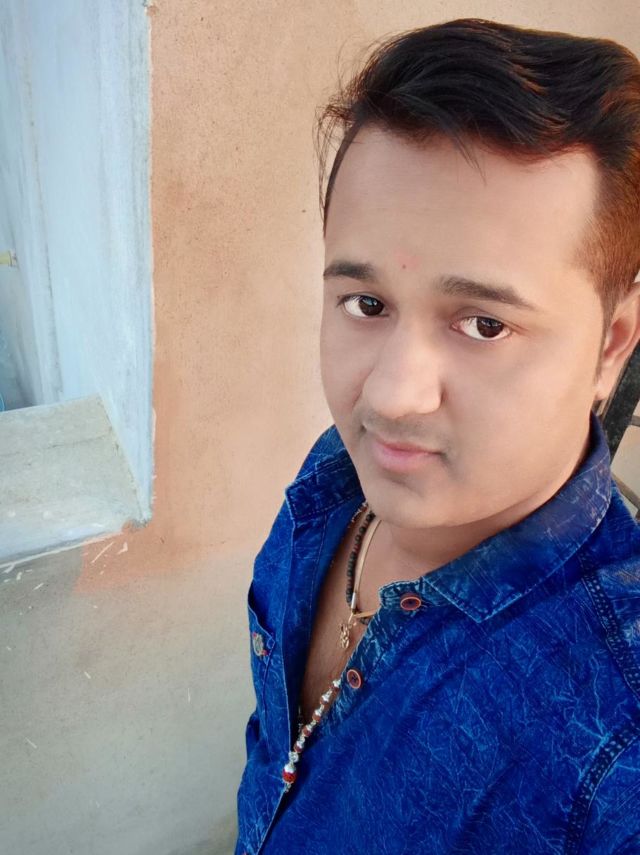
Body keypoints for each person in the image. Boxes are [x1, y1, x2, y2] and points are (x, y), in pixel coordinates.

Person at [234, 17, 640, 854]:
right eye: (367, 304)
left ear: (612, 345)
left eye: (484, 324)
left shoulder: (613, 745)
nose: (391, 396)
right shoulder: (336, 480)